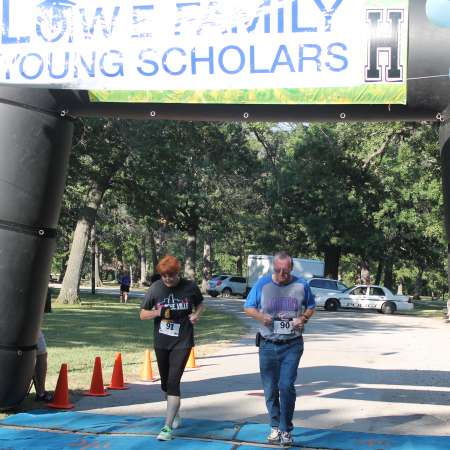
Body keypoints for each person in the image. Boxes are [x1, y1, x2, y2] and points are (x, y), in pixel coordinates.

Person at [244, 251, 315, 447]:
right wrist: (261, 317)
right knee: (270, 389)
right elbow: (248, 307)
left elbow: (311, 306)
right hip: (267, 344)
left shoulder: (302, 285)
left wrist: (303, 318)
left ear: (291, 268)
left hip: (292, 344)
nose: (282, 274)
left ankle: (286, 430)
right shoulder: (262, 284)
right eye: (278, 270)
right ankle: (275, 426)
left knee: (286, 386)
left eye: (285, 270)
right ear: (273, 268)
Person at [140, 255, 205, 441]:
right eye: (164, 276)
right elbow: (142, 314)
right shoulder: (155, 288)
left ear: (178, 273)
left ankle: (167, 428)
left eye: (171, 276)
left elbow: (200, 304)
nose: (168, 279)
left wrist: (196, 315)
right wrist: (157, 312)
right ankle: (174, 411)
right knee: (165, 383)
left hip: (182, 341)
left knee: (173, 382)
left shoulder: (190, 286)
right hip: (161, 341)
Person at [34, 287, 53, 402]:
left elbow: (41, 314)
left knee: (41, 353)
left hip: (32, 327)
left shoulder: (42, 288)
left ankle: (40, 392)